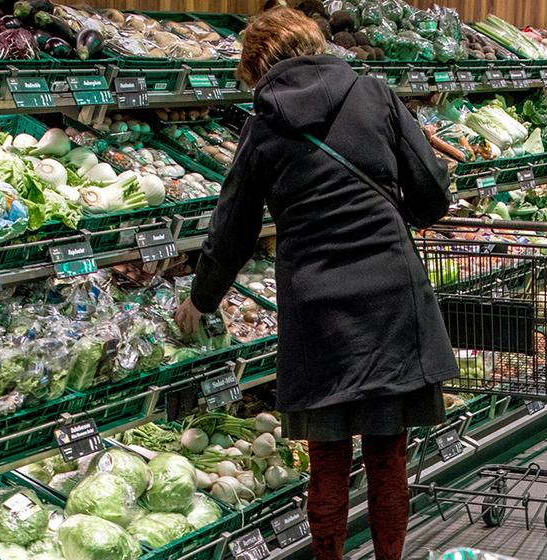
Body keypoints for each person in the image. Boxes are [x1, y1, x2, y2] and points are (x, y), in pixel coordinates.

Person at [172, 7, 458, 560]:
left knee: (327, 459)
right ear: (315, 41)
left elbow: (232, 226)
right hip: (390, 295)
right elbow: (430, 196)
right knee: (387, 455)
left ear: (256, 68)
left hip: (315, 305)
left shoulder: (262, 126)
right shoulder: (373, 94)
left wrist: (202, 298)